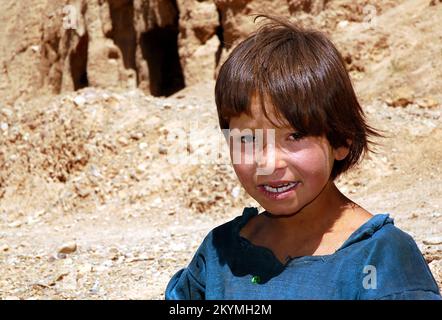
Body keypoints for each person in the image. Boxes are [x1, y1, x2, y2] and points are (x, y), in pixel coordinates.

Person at [165, 15, 441, 299]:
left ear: (341, 140)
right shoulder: (219, 255)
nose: (269, 163)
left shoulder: (380, 259)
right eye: (247, 139)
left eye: (294, 136)